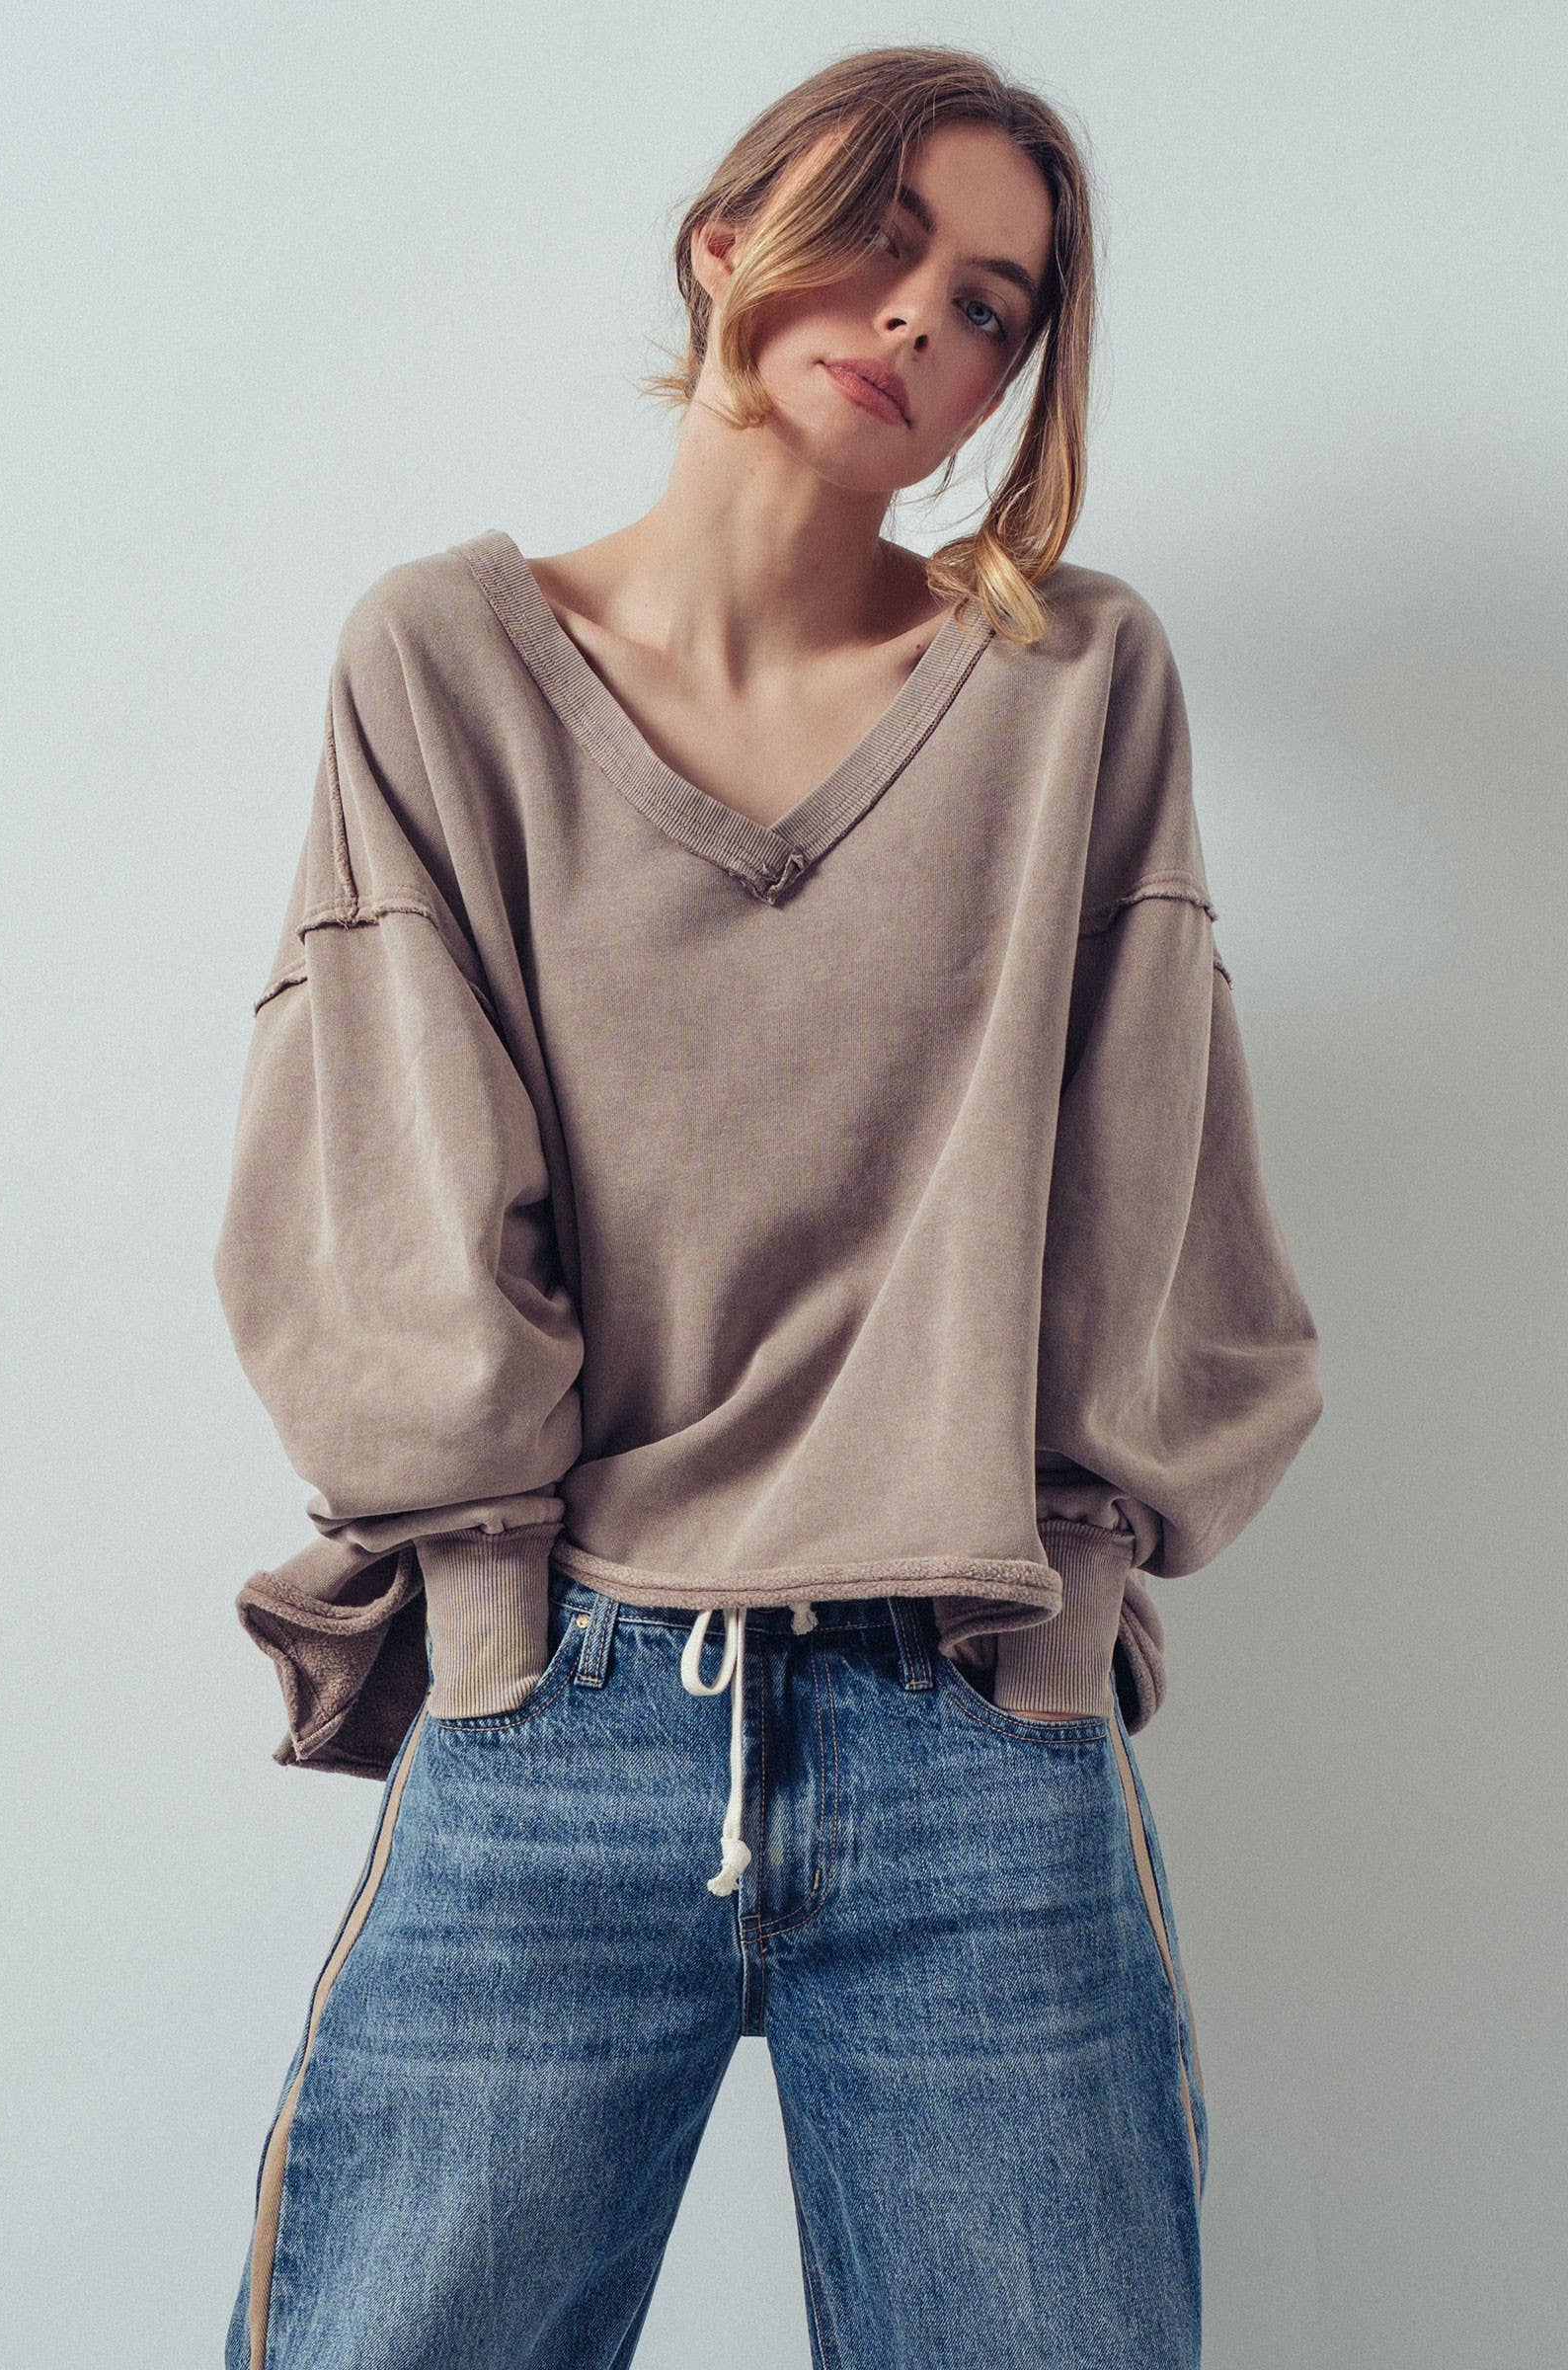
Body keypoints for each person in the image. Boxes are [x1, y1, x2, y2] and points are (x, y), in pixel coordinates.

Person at [213, 42, 1322, 2370]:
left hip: (973, 1734)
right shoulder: (443, 663)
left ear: (1007, 383)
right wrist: (488, 1614)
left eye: (989, 304)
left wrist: (1062, 1611)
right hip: (557, 1712)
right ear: (722, 241)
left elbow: (1149, 1199)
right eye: (874, 237)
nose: (919, 315)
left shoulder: (1071, 686)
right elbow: (387, 1191)